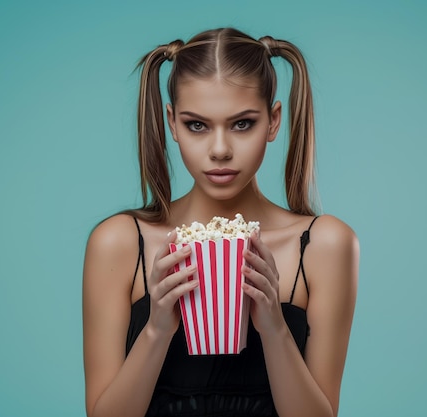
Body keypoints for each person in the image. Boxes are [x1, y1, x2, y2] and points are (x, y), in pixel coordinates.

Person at [82, 27, 359, 417]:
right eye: (197, 125)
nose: (220, 150)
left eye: (242, 123)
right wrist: (157, 329)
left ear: (274, 121)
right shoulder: (121, 243)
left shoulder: (324, 245)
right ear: (172, 123)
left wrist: (275, 328)